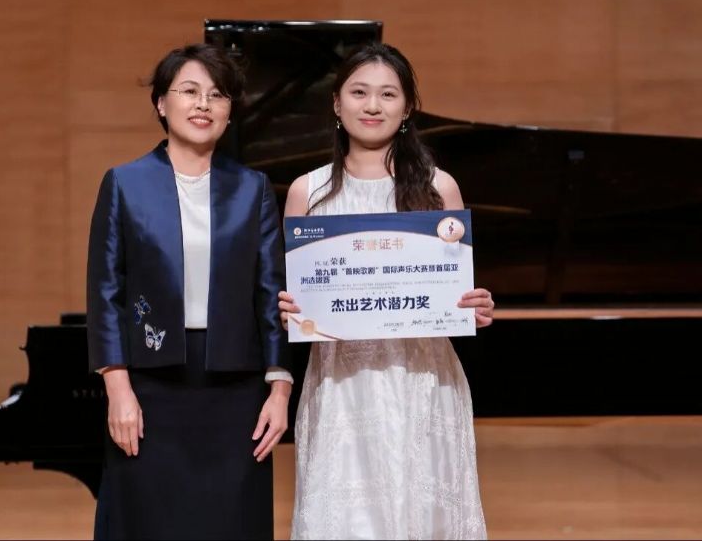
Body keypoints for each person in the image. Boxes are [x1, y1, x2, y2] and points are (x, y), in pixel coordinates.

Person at [279, 42, 494, 540]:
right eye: (359, 92)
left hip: (423, 380)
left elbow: (454, 293)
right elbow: (299, 300)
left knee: (425, 513)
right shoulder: (306, 192)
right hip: (340, 384)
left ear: (408, 108)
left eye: (388, 94)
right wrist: (289, 308)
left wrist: (473, 305)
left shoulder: (440, 188)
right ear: (336, 104)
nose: (372, 105)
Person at [87, 43, 293, 540]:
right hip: (150, 385)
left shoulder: (253, 188)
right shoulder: (125, 184)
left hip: (236, 390)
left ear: (229, 112)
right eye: (190, 91)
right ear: (162, 103)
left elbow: (271, 294)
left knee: (231, 522)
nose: (204, 104)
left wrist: (280, 390)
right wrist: (118, 390)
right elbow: (106, 293)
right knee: (150, 522)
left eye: (217, 95)